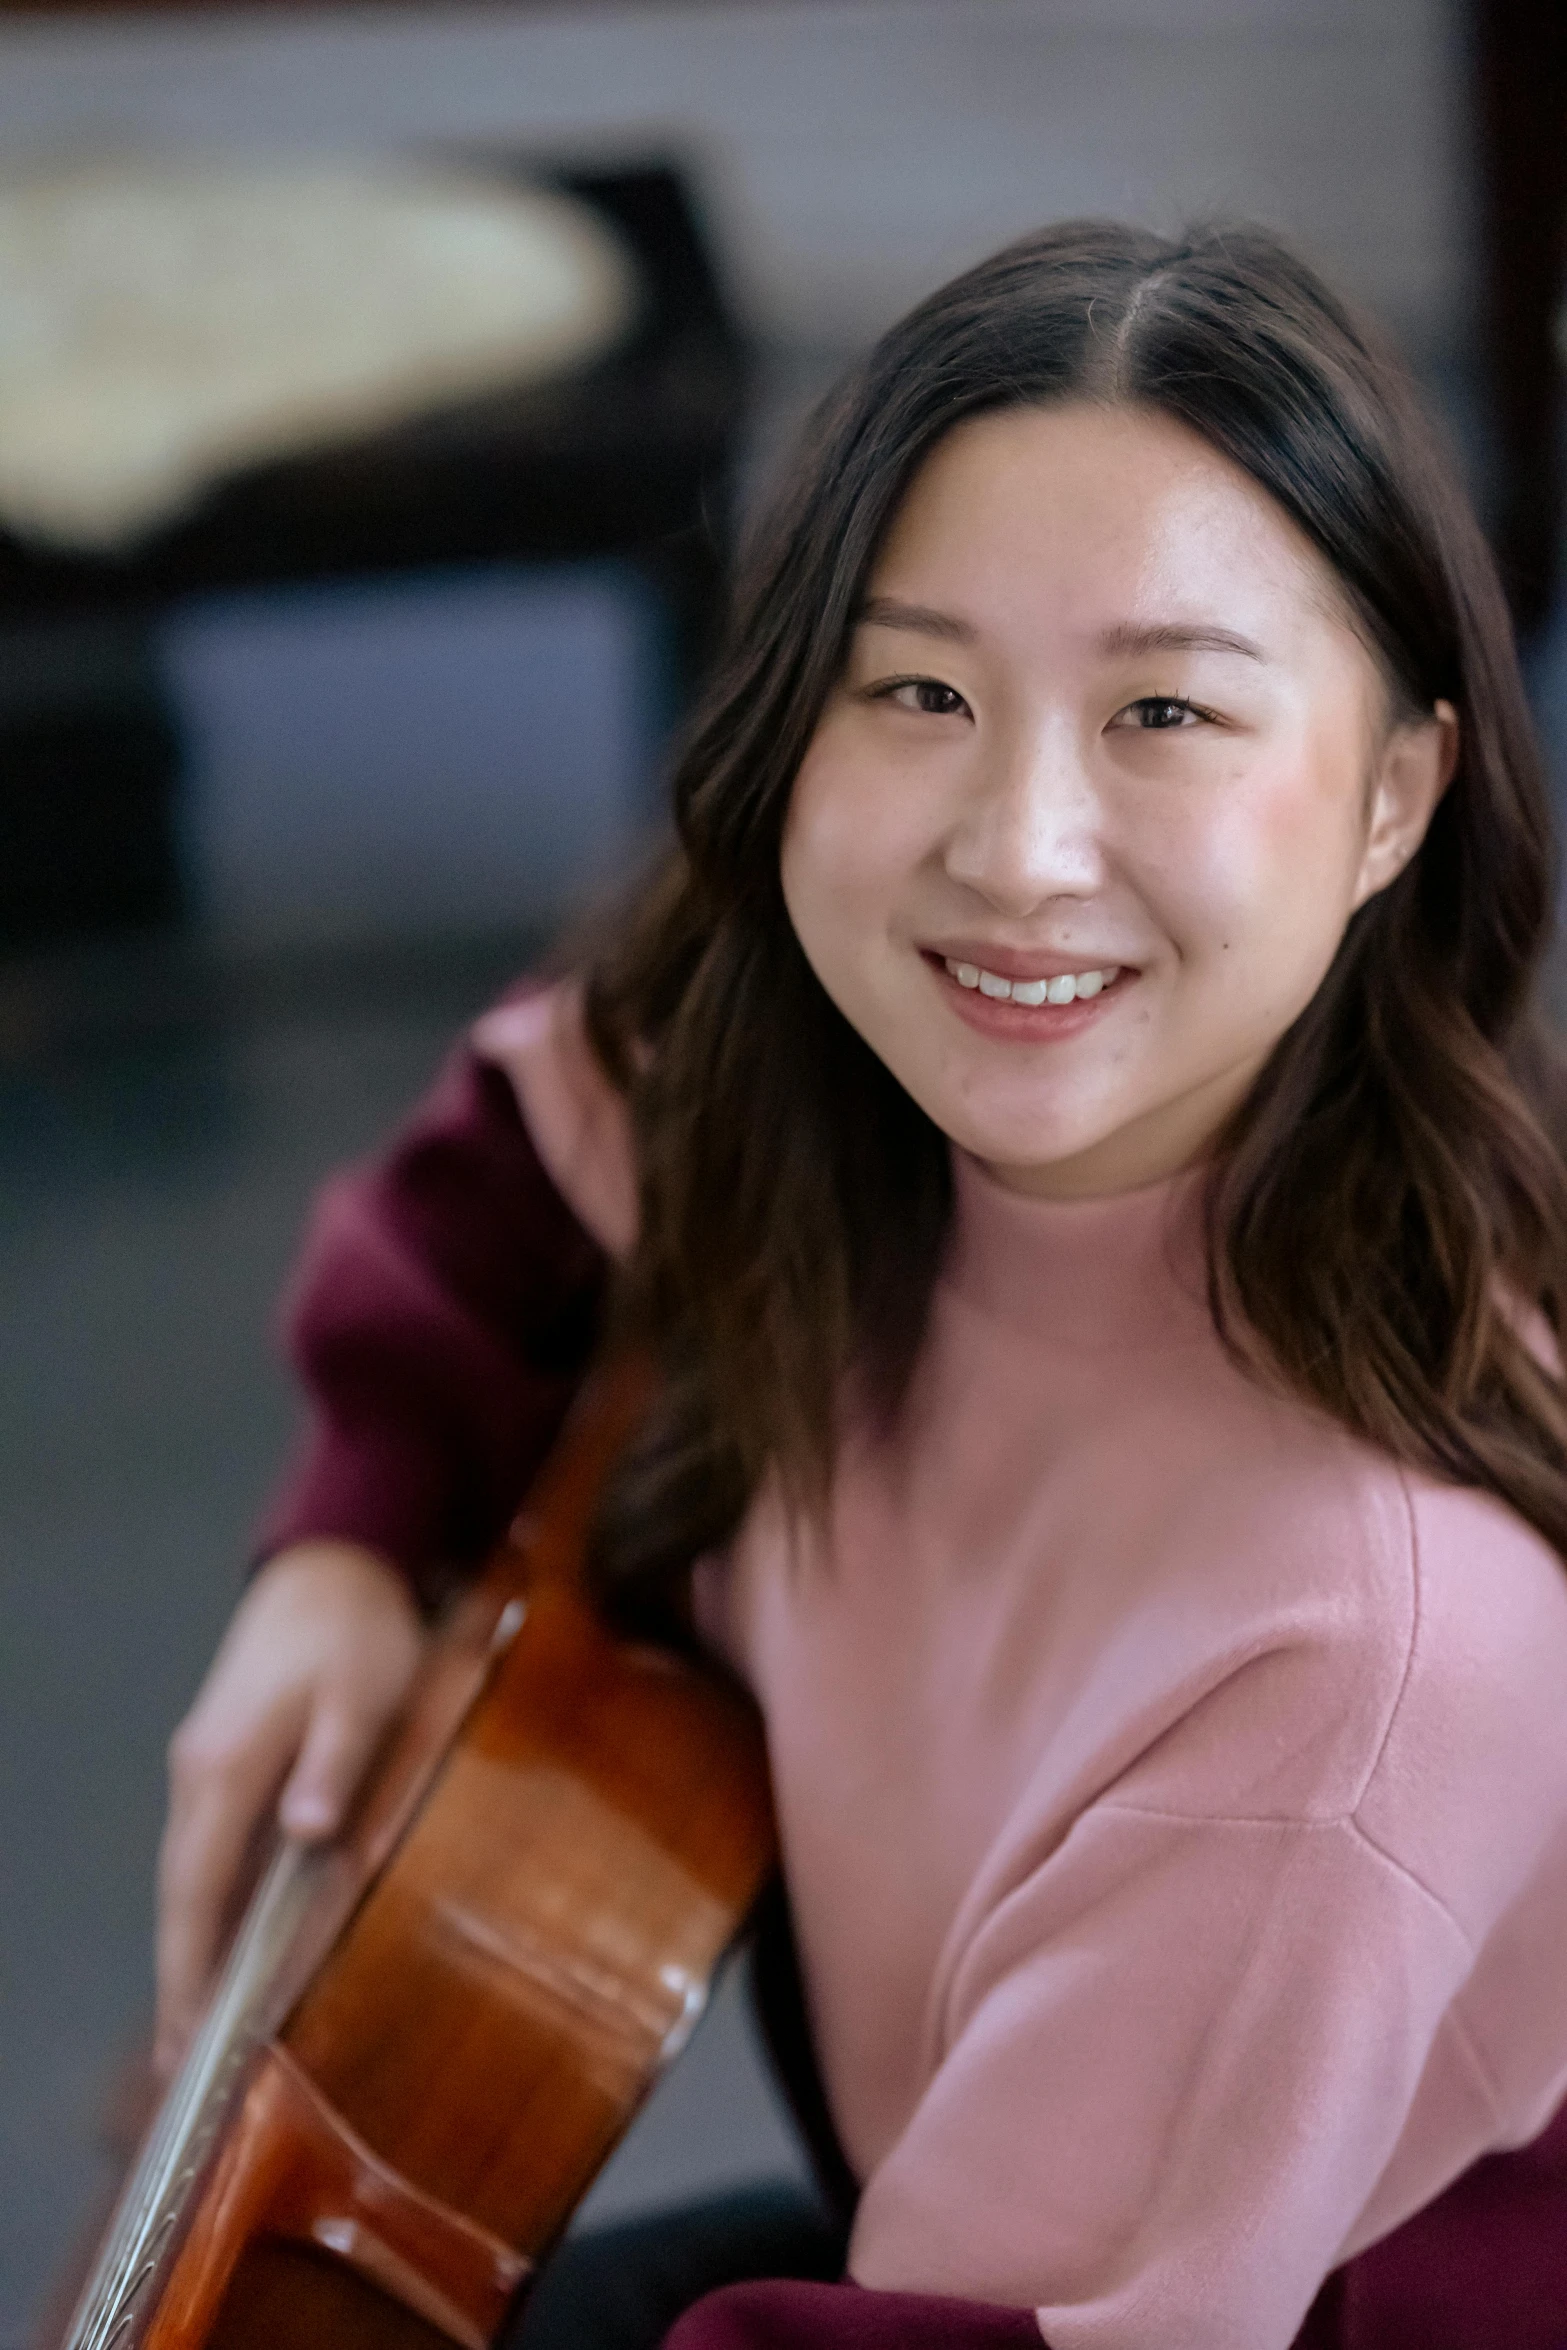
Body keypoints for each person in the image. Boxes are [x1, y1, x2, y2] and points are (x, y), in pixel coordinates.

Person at [153, 221, 1567, 2350]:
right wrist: (346, 1542)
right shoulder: (806, 1071)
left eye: (1165, 708)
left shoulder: (1360, 1654)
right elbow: (503, 1185)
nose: (1014, 844)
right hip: (954, 2225)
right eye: (915, 688)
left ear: (1394, 793)